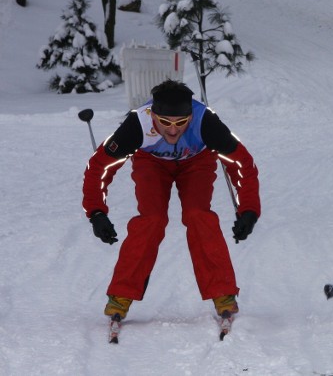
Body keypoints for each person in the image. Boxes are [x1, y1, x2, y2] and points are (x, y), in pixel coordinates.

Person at [82, 80, 260, 330]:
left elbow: (242, 164)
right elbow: (98, 167)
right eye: (165, 122)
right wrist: (97, 212)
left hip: (196, 162)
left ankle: (223, 292)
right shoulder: (137, 124)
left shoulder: (206, 122)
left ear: (191, 115)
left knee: (198, 215)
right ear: (153, 114)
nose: (173, 130)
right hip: (151, 162)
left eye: (181, 122)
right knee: (152, 219)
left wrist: (249, 210)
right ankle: (121, 295)